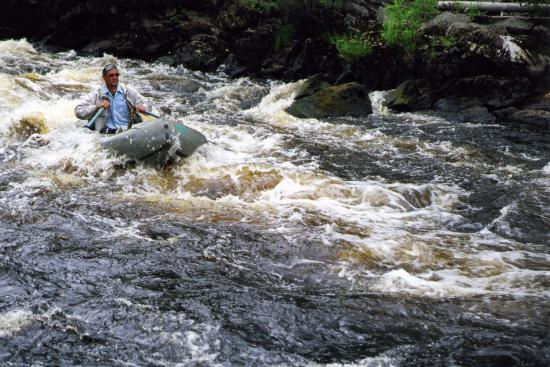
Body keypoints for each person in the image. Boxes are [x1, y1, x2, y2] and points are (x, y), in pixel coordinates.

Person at [75, 64, 154, 133]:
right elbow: (78, 111)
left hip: (129, 130)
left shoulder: (128, 91)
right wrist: (97, 106)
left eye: (117, 75)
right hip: (106, 132)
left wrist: (144, 107)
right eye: (111, 75)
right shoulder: (96, 94)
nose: (115, 77)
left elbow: (148, 103)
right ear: (104, 78)